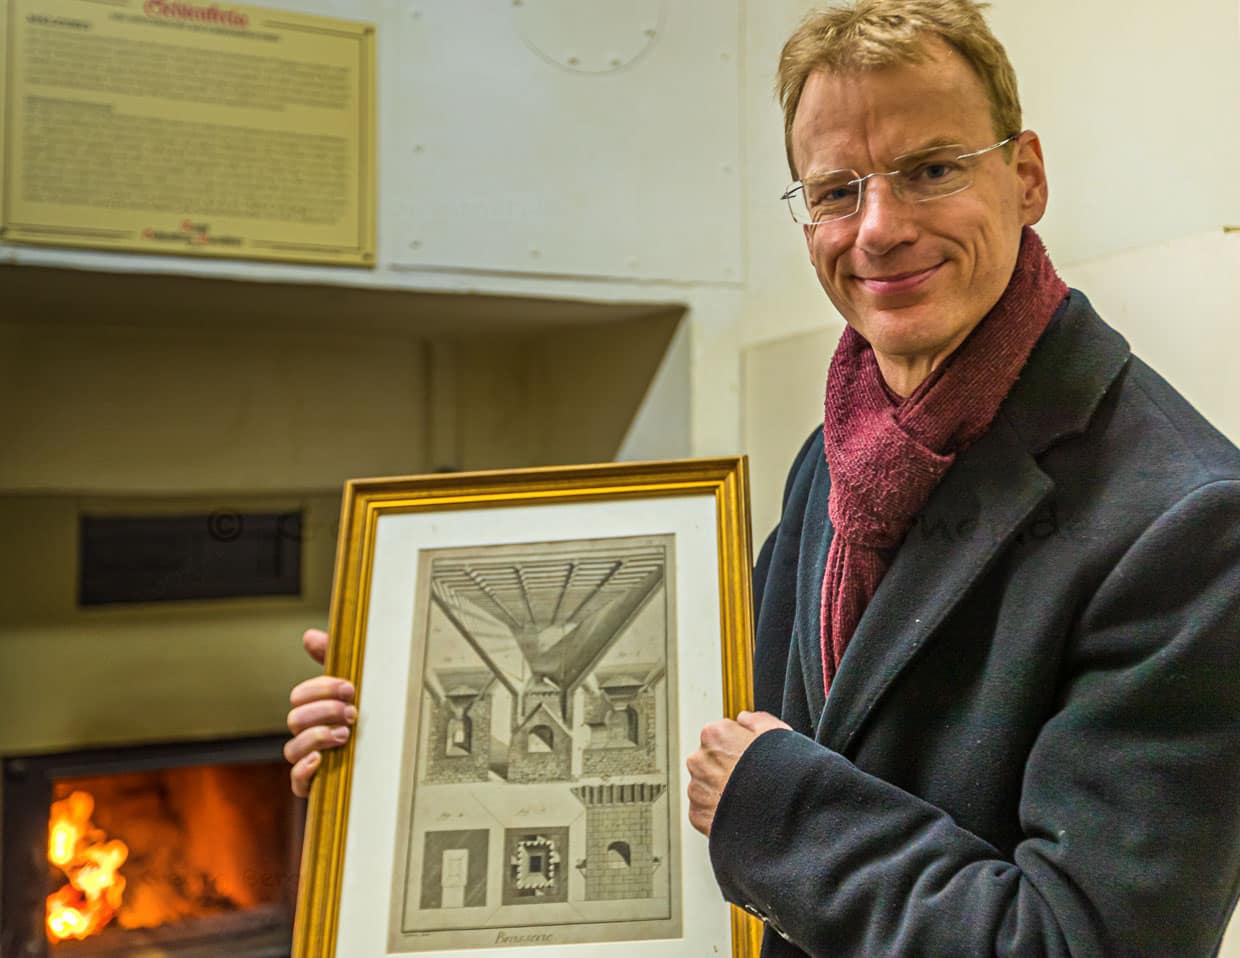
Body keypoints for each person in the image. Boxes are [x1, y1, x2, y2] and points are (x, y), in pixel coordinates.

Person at [286, 1, 1240, 954]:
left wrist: (778, 805)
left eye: (932, 170)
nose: (878, 229)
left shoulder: (1190, 524)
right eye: (835, 192)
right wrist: (412, 733)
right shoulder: (835, 454)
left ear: (1025, 175)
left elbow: (1079, 940)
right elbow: (696, 733)